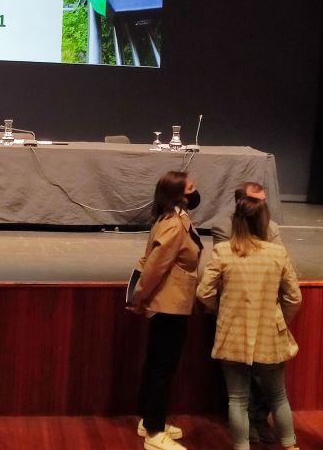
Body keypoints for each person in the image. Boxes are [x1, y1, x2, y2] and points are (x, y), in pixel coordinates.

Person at [197, 196, 302, 450]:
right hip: (269, 333)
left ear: (237, 221)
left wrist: (221, 310)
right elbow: (294, 297)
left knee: (237, 399)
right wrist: (280, 319)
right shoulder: (277, 253)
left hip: (233, 333)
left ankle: (241, 446)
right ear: (264, 222)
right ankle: (291, 447)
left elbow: (204, 292)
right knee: (278, 396)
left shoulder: (223, 251)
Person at [129, 171, 203, 450]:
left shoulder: (173, 218)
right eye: (191, 188)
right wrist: (138, 296)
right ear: (179, 195)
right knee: (163, 368)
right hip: (169, 304)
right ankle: (154, 433)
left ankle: (149, 419)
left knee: (157, 363)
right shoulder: (173, 225)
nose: (196, 191)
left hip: (171, 302)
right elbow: (154, 266)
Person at [208, 181, 283, 444]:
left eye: (263, 200)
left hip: (263, 309)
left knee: (265, 377)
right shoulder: (223, 227)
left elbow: (283, 266)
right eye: (257, 201)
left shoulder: (272, 227)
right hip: (236, 309)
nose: (263, 206)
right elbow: (226, 269)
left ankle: (260, 419)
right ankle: (247, 424)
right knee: (240, 380)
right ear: (241, 202)